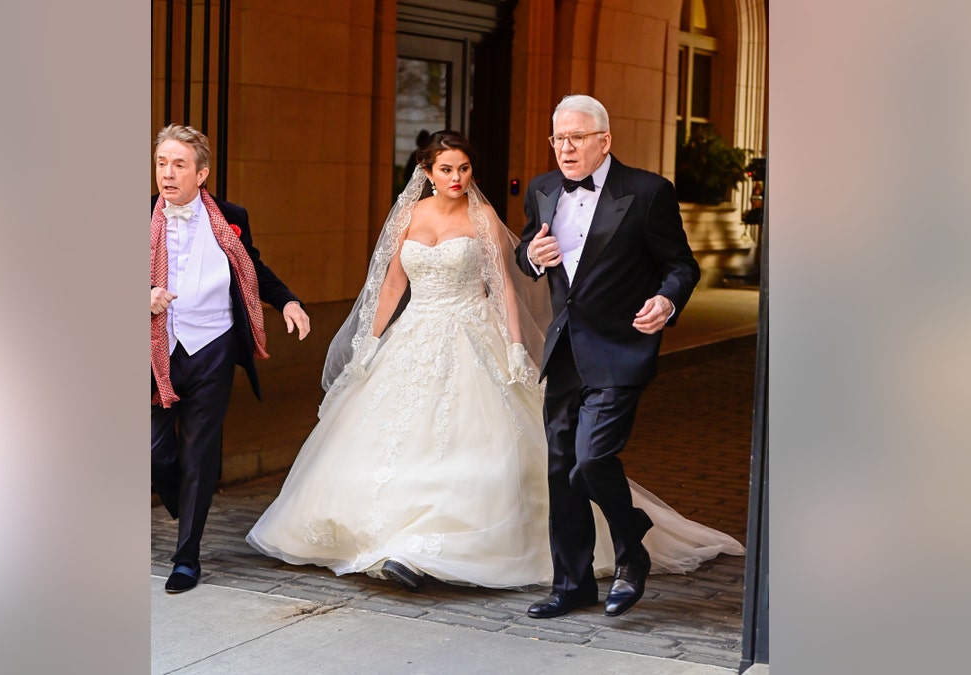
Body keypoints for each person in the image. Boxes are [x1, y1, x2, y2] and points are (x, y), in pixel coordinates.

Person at [246, 130, 740, 592]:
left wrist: (514, 345)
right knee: (390, 438)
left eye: (463, 169)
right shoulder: (409, 217)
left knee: (468, 442)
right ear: (427, 171)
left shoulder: (481, 218)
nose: (456, 178)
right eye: (445, 169)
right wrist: (369, 344)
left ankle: (423, 549)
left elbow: (506, 285)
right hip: (414, 332)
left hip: (469, 330)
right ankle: (382, 538)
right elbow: (393, 284)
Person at [515, 94, 712, 619]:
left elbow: (681, 265)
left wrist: (667, 300)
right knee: (562, 470)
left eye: (577, 137)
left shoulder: (647, 192)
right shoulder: (541, 189)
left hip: (621, 348)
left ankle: (632, 546)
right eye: (559, 137)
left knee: (591, 460)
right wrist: (531, 257)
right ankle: (573, 584)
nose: (566, 147)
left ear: (605, 141)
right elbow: (525, 249)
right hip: (564, 352)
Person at [151, 124, 311, 594]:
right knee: (156, 452)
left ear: (201, 174)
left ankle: (186, 558)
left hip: (214, 347)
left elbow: (253, 268)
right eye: (162, 163)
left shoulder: (231, 216)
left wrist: (287, 302)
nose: (167, 173)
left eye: (179, 164)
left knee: (200, 453)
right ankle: (186, 495)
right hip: (157, 346)